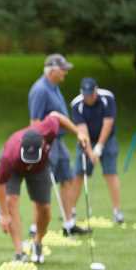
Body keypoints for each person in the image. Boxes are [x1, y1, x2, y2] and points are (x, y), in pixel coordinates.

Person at [0, 111, 90, 263]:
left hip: (40, 169)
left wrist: (78, 132)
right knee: (11, 201)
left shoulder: (48, 129)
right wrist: (4, 214)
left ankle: (37, 242)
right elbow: (0, 184)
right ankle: (19, 252)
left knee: (44, 209)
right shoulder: (9, 156)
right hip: (15, 169)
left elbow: (56, 115)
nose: (29, 162)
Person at [28, 54, 88, 236]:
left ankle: (68, 224)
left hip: (59, 142)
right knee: (43, 185)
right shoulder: (40, 90)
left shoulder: (54, 87)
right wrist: (40, 146)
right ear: (52, 70)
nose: (65, 73)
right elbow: (35, 121)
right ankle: (34, 227)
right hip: (47, 143)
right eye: (63, 70)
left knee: (67, 179)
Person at [71, 78, 124, 223]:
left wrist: (99, 147)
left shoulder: (107, 98)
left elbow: (108, 124)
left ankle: (117, 211)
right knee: (78, 174)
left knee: (110, 173)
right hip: (85, 140)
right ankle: (71, 212)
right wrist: (89, 152)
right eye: (86, 95)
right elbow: (82, 130)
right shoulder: (77, 104)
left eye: (91, 94)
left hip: (107, 140)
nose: (89, 98)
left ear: (96, 90)